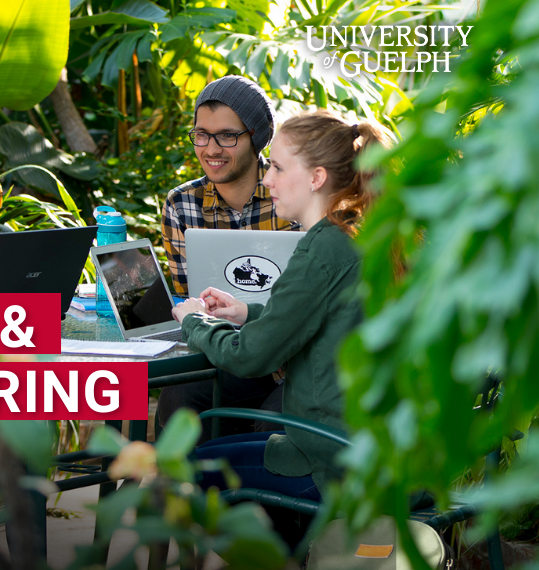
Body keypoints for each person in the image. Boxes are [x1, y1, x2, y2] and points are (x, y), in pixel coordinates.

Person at [169, 110, 391, 505]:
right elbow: (324, 323)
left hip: (333, 462)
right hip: (384, 454)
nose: (267, 179)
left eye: (277, 167)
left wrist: (195, 322)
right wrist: (247, 313)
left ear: (316, 178)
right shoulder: (364, 234)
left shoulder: (322, 248)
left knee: (182, 475)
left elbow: (251, 356)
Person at [158, 75, 298, 439]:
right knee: (180, 395)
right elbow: (190, 299)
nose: (211, 149)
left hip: (296, 363)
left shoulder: (294, 195)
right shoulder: (181, 205)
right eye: (201, 135)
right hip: (226, 354)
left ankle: (256, 494)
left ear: (257, 137)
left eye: (227, 136)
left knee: (274, 425)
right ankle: (185, 493)